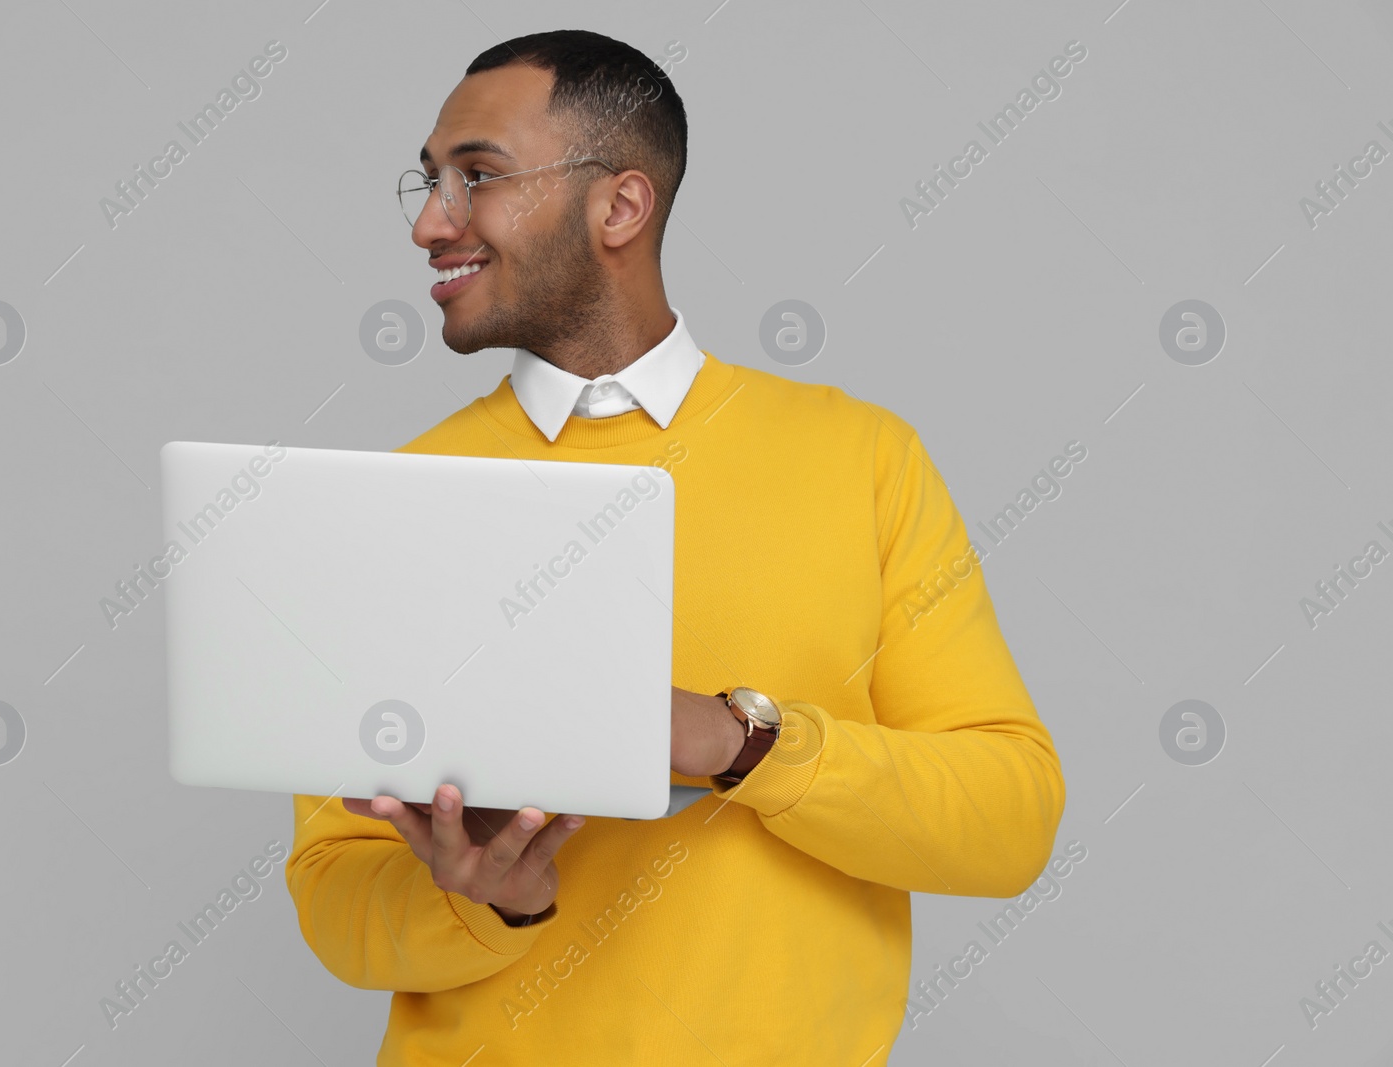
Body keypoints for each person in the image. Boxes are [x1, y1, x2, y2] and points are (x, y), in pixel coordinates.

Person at [286, 28, 1065, 1066]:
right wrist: (487, 903)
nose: (432, 222)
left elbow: (1007, 820)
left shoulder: (861, 455)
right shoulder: (393, 501)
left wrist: (741, 741)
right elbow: (332, 888)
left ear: (620, 204)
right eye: (427, 182)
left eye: (477, 176)